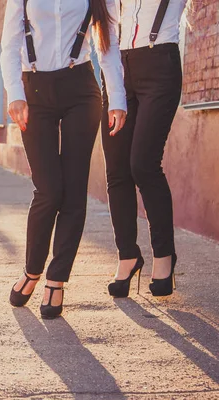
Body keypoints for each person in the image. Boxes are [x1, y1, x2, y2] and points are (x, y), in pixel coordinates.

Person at [1, 0, 127, 319]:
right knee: (48, 190)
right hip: (34, 92)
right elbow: (10, 43)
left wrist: (118, 98)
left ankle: (56, 280)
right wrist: (14, 92)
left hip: (81, 90)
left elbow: (107, 45)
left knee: (73, 190)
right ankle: (32, 270)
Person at [103, 0, 188, 298]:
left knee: (143, 164)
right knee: (116, 169)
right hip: (117, 70)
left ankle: (164, 255)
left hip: (160, 65)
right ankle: (127, 255)